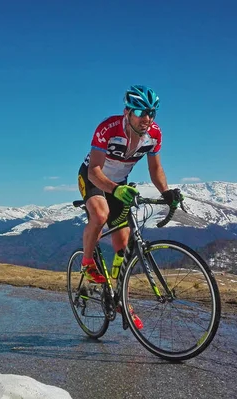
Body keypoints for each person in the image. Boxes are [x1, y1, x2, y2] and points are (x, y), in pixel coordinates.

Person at [77, 85, 182, 328]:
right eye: (142, 112)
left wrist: (166, 192)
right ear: (127, 112)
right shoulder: (109, 129)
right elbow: (94, 171)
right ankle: (87, 263)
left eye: (152, 113)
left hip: (118, 183)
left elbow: (155, 169)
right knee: (100, 215)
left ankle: (120, 297)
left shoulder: (154, 134)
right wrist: (114, 189)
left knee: (123, 245)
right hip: (94, 177)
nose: (147, 118)